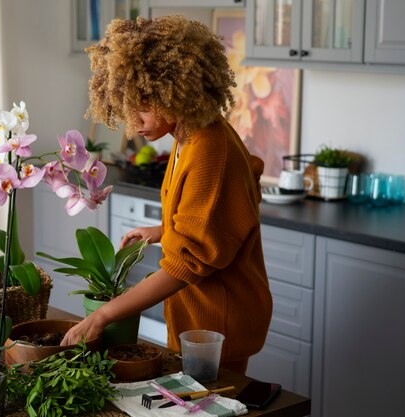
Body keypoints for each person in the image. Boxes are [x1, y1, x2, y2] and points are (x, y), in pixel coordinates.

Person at [60, 15, 272, 374]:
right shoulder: (189, 136)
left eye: (143, 106)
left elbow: (186, 264)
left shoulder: (208, 149)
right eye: (128, 107)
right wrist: (164, 232)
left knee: (216, 406)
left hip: (219, 319)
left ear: (175, 90)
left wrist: (104, 314)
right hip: (199, 315)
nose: (134, 122)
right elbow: (218, 214)